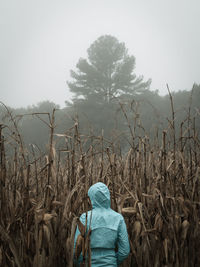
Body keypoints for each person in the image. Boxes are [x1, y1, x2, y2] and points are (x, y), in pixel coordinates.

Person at [74, 182, 130, 267]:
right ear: (107, 197)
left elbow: (77, 247)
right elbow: (125, 251)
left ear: (91, 198)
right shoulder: (118, 218)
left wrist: (81, 263)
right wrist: (113, 262)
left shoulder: (84, 217)